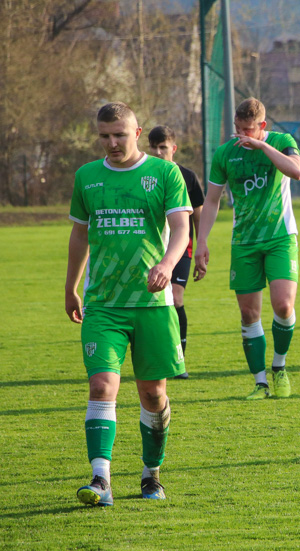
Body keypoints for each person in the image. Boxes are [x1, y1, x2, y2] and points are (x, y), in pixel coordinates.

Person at [66, 102, 192, 506]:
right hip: (103, 303)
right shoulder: (87, 177)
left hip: (153, 305)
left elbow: (180, 227)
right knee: (102, 385)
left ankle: (151, 474)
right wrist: (72, 286)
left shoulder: (164, 173)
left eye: (119, 134)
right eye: (104, 136)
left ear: (137, 133)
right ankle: (100, 479)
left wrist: (168, 264)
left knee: (153, 395)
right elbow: (80, 237)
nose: (112, 142)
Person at [194, 98, 300, 400]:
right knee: (248, 314)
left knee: (283, 305)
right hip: (243, 242)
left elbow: (296, 171)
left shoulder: (282, 141)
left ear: (262, 127)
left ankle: (279, 367)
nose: (242, 135)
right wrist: (201, 242)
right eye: (238, 129)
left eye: (248, 130)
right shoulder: (225, 155)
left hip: (280, 237)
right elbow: (213, 200)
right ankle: (260, 383)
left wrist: (263, 148)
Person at [148, 126, 205, 377]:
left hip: (182, 248)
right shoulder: (144, 175)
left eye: (164, 147)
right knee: (154, 303)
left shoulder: (188, 177)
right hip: (151, 249)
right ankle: (157, 355)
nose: (159, 152)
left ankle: (178, 356)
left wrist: (202, 247)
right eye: (154, 147)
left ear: (174, 148)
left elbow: (199, 217)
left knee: (176, 298)